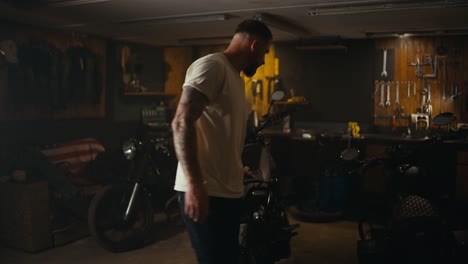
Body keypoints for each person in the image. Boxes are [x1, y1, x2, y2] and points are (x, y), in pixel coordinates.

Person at [171, 19, 273, 264]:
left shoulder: (236, 79)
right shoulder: (212, 66)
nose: (263, 60)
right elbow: (181, 123)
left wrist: (236, 167)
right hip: (205, 189)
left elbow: (220, 134)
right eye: (264, 53)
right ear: (254, 45)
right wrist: (195, 186)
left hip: (226, 190)